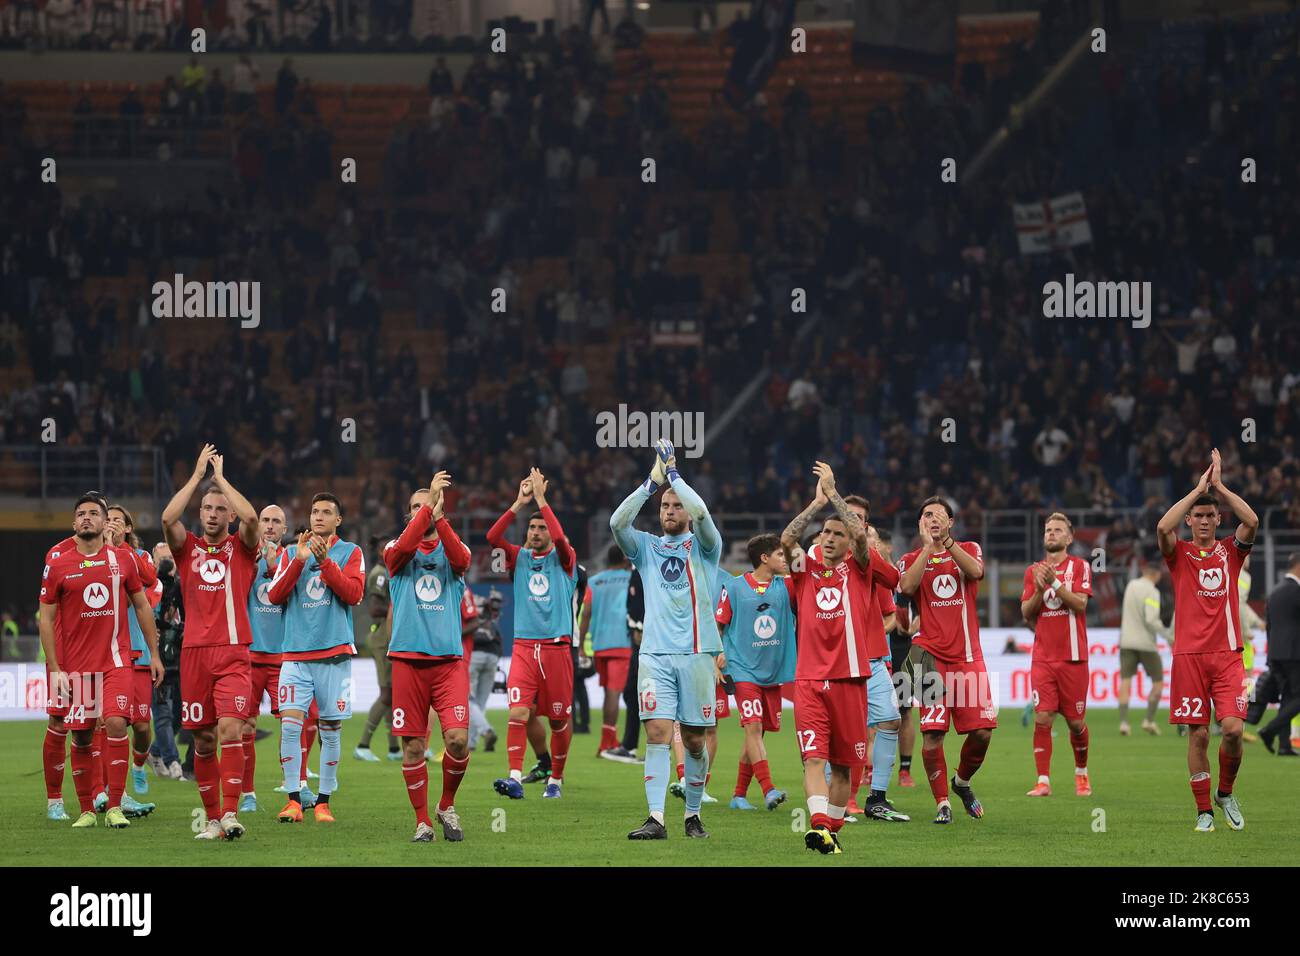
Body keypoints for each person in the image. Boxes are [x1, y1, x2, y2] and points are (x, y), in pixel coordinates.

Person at [781, 462, 899, 854]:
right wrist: (817, 504)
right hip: (810, 680)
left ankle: (831, 832)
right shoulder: (806, 568)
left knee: (847, 766)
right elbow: (787, 539)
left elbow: (864, 539)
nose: (829, 538)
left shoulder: (861, 567)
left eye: (838, 533)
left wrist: (834, 494)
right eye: (826, 533)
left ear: (851, 542)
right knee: (814, 759)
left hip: (851, 678)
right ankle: (818, 825)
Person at [611, 441, 721, 840]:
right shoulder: (646, 547)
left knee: (693, 739)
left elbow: (704, 512)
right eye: (665, 506)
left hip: (695, 654)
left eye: (676, 506)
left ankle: (692, 814)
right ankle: (656, 818)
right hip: (655, 654)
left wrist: (674, 476)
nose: (670, 511)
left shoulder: (706, 547)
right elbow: (617, 524)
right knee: (657, 733)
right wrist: (651, 483)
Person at [38, 494, 163, 829]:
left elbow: (142, 604)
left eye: (95, 513)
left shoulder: (122, 560)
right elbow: (46, 619)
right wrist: (56, 668)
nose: (87, 519)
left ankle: (116, 804)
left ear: (106, 520)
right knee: (75, 733)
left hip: (116, 661)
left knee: (117, 723)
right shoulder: (59, 561)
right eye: (81, 514)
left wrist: (153, 654)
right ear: (74, 521)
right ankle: (82, 808)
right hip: (75, 665)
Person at [161, 445, 260, 841]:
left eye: (221, 509)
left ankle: (232, 814)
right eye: (208, 509)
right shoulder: (188, 550)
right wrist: (197, 476)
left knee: (230, 731)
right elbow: (168, 517)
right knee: (202, 739)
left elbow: (252, 517)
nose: (214, 514)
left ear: (229, 515)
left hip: (234, 652)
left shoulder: (243, 547)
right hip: (194, 654)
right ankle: (215, 818)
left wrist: (220, 479)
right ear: (200, 514)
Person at [1156, 448, 1256, 832]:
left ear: (1218, 519)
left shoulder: (1231, 552)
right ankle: (1203, 811)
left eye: (1208, 515)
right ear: (1190, 520)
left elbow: (1252, 520)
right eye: (1196, 515)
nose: (1201, 520)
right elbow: (1164, 528)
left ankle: (1226, 792)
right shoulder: (1178, 554)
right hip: (1188, 657)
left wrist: (1219, 487)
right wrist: (1196, 491)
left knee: (1231, 730)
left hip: (1228, 656)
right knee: (1198, 733)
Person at [384, 472, 473, 842]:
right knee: (414, 746)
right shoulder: (395, 551)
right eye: (415, 508)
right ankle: (422, 821)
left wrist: (438, 516)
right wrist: (429, 509)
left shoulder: (455, 550)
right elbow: (402, 549)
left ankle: (445, 805)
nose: (422, 511)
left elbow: (461, 560)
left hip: (448, 662)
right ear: (408, 516)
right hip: (407, 661)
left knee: (456, 741)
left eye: (429, 504)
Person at [267, 493, 365, 824]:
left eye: (326, 512)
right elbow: (275, 595)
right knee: (291, 725)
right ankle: (294, 800)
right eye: (314, 511)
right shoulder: (291, 553)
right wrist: (299, 560)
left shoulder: (351, 552)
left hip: (334, 654)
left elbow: (354, 594)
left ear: (338, 520)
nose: (318, 517)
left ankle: (323, 802)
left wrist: (325, 563)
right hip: (295, 654)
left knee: (330, 729)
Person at [898, 496, 996, 825]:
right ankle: (942, 802)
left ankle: (961, 783)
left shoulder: (968, 548)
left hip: (968, 657)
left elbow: (977, 571)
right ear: (919, 524)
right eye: (927, 515)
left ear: (951, 522)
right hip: (928, 656)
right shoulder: (910, 558)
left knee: (982, 731)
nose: (933, 519)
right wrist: (928, 548)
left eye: (940, 515)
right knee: (933, 734)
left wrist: (946, 543)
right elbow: (907, 586)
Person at [489, 468, 578, 800]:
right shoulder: (518, 558)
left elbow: (562, 540)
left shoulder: (565, 560)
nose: (537, 531)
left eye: (542, 527)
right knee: (518, 713)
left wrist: (541, 499)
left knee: (557, 721)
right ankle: (514, 777)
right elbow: (492, 539)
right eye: (532, 526)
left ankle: (555, 778)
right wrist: (518, 503)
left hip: (556, 648)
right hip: (524, 647)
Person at [715, 533, 793, 811]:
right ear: (764, 558)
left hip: (772, 672)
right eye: (780, 555)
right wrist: (718, 656)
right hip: (741, 667)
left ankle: (738, 795)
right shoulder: (734, 587)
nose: (785, 560)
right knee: (754, 727)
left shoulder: (786, 587)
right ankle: (769, 789)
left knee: (757, 735)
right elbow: (719, 624)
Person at [1020, 513, 1093, 798]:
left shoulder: (1080, 566)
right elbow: (1026, 611)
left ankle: (1081, 774)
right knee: (1043, 718)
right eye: (1048, 530)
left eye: (1057, 530)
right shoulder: (1032, 571)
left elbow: (1080, 604)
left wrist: (1056, 584)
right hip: (1043, 658)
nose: (1051, 533)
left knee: (1076, 723)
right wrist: (1040, 589)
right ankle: (1043, 781)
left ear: (1069, 537)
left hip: (1073, 658)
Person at [104, 505, 160, 817]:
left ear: (127, 528)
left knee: (141, 725)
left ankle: (139, 763)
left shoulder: (137, 557)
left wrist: (117, 549)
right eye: (106, 519)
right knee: (110, 723)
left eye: (116, 520)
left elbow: (150, 580)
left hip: (136, 649)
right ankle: (112, 794)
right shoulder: (92, 557)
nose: (109, 524)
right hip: (106, 654)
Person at [241, 504, 289, 812]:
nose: (270, 526)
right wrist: (255, 566)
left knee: (293, 726)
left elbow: (290, 595)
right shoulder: (243, 557)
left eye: (276, 522)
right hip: (248, 657)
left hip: (284, 658)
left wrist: (273, 569)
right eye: (265, 521)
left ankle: (296, 792)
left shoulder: (293, 560)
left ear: (285, 530)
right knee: (245, 728)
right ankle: (248, 795)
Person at [585, 545, 634, 759]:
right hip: (622, 641)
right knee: (615, 692)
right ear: (625, 559)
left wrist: (581, 642)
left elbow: (585, 613)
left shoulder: (594, 581)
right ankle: (607, 743)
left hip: (599, 643)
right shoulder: (631, 579)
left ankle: (609, 739)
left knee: (608, 692)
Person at [1117, 548, 1172, 735]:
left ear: (1143, 572)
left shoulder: (1131, 585)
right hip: (1146, 644)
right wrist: (1168, 635)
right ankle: (1149, 720)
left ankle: (1124, 723)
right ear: (1156, 575)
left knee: (1125, 681)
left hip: (1126, 641)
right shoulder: (1152, 592)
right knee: (1158, 683)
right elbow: (1151, 619)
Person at [355, 534, 398, 762]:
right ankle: (363, 744)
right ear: (381, 551)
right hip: (382, 636)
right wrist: (398, 607)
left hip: (386, 636)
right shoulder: (380, 575)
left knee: (392, 694)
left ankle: (393, 749)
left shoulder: (388, 573)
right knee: (387, 693)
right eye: (386, 547)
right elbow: (373, 608)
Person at [882, 528, 920, 788]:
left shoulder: (902, 579)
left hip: (902, 649)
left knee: (905, 711)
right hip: (875, 649)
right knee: (872, 714)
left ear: (887, 547)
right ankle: (868, 768)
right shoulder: (866, 575)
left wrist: (908, 625)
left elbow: (919, 615)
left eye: (876, 542)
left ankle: (905, 770)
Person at [1258, 553, 1300, 755]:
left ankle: (1284, 746)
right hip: (1294, 653)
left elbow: (1269, 627)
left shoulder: (1275, 592)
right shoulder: (1296, 592)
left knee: (1288, 697)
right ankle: (1269, 730)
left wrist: (1270, 656)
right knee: (1297, 698)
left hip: (1276, 652)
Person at [467, 590, 504, 752]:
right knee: (480, 702)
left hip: (474, 654)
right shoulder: (490, 613)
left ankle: (486, 730)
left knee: (468, 699)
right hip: (492, 655)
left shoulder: (468, 602)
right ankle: (471, 743)